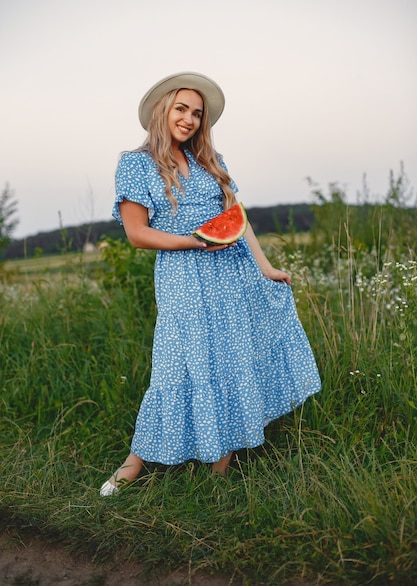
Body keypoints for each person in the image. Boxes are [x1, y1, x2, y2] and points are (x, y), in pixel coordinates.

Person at [100, 72, 321, 496]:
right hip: (183, 275)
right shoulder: (136, 163)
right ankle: (136, 461)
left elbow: (237, 218)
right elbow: (137, 233)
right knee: (175, 364)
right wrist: (194, 243)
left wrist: (266, 268)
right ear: (163, 110)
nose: (189, 119)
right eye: (181, 109)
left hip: (233, 272)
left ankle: (220, 466)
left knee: (232, 359)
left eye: (197, 114)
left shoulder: (210, 162)